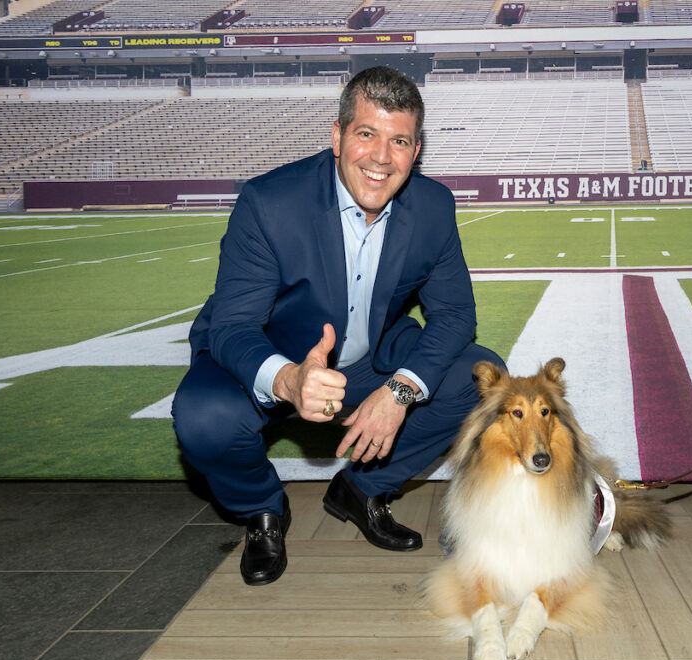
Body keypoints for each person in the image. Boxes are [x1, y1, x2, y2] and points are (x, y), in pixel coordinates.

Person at [172, 66, 504, 586]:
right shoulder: (270, 203)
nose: (380, 157)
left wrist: (399, 390)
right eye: (366, 134)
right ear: (337, 136)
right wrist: (288, 379)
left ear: (415, 152)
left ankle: (362, 489)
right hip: (271, 351)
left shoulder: (433, 206)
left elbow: (456, 314)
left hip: (369, 358)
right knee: (204, 417)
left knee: (478, 377)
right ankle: (263, 511)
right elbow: (233, 325)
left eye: (399, 141)